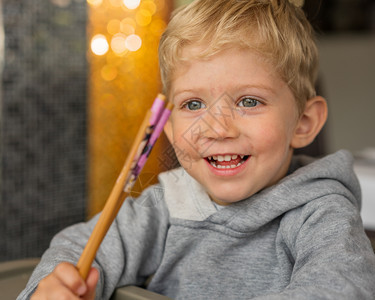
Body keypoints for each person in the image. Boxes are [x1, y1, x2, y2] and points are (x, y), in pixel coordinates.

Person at [19, 0, 375, 299]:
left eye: (248, 101)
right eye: (193, 105)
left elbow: (342, 287)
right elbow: (79, 246)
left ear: (304, 123)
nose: (218, 128)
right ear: (169, 128)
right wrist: (53, 286)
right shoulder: (167, 205)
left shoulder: (320, 212)